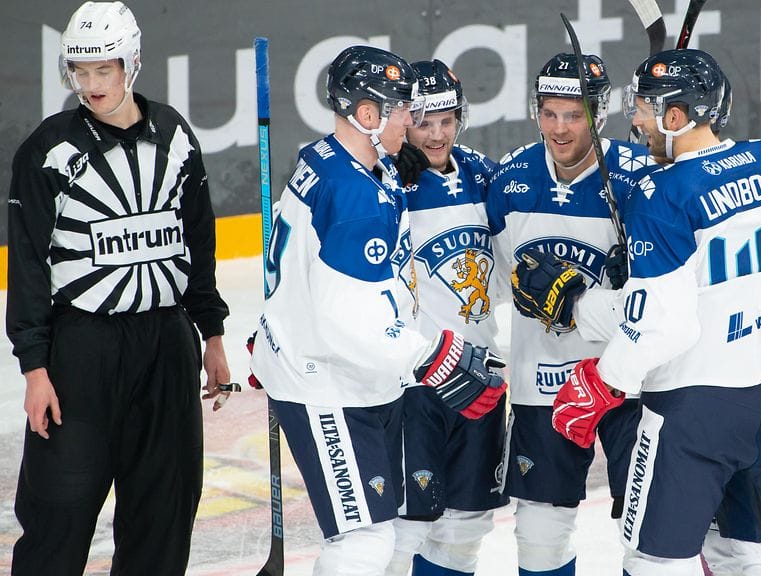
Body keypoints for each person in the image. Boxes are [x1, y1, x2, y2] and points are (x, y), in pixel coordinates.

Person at [548, 49, 761, 576]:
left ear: (677, 117)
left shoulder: (660, 194)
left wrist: (604, 380)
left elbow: (662, 324)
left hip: (697, 408)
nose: (636, 121)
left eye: (644, 109)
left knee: (655, 561)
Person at [248, 45, 507, 576]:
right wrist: (431, 356)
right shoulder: (356, 196)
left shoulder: (331, 160)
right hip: (327, 381)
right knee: (363, 541)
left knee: (377, 534)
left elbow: (303, 270)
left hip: (332, 371)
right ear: (368, 116)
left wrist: (277, 327)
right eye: (404, 110)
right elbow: (350, 319)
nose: (414, 122)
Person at [4, 2, 233, 574]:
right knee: (60, 511)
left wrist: (213, 336)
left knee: (165, 508)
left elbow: (198, 243)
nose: (90, 85)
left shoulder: (176, 137)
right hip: (81, 351)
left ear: (130, 64)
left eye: (102, 70)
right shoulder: (48, 150)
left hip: (166, 345)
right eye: (79, 72)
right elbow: (28, 264)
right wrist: (35, 368)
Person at [485, 52, 659, 575]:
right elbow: (488, 282)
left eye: (575, 115)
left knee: (651, 529)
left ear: (599, 114)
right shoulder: (511, 180)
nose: (560, 129)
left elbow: (670, 293)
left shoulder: (639, 179)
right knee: (538, 532)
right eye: (550, 113)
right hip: (543, 382)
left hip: (628, 381)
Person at [383, 58, 510, 576]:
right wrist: (383, 170)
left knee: (468, 521)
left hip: (480, 369)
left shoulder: (483, 174)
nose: (436, 136)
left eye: (447, 121)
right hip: (417, 376)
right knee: (408, 523)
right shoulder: (384, 180)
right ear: (403, 119)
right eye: (423, 122)